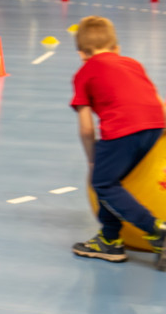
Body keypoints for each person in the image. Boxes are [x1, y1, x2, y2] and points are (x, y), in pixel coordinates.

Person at [70, 16, 166, 269]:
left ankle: (156, 230)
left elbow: (86, 126)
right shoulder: (133, 64)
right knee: (116, 178)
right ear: (117, 48)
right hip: (155, 127)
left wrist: (92, 158)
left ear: (82, 54)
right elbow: (158, 102)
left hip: (124, 129)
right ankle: (110, 239)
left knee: (102, 182)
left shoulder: (84, 73)